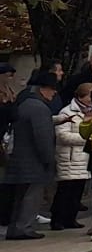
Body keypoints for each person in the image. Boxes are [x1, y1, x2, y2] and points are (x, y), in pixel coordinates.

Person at [4, 72, 59, 240]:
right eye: (52, 90)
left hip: (20, 158)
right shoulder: (39, 108)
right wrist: (49, 160)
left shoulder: (25, 103)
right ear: (44, 89)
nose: (54, 94)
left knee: (21, 196)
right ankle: (24, 227)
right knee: (31, 196)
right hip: (33, 161)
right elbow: (43, 138)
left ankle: (16, 227)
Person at [50, 80, 92, 232]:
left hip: (84, 157)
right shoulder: (67, 112)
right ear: (81, 96)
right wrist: (85, 139)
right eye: (90, 95)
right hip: (68, 156)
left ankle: (71, 218)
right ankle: (57, 219)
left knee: (78, 190)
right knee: (65, 190)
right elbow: (62, 136)